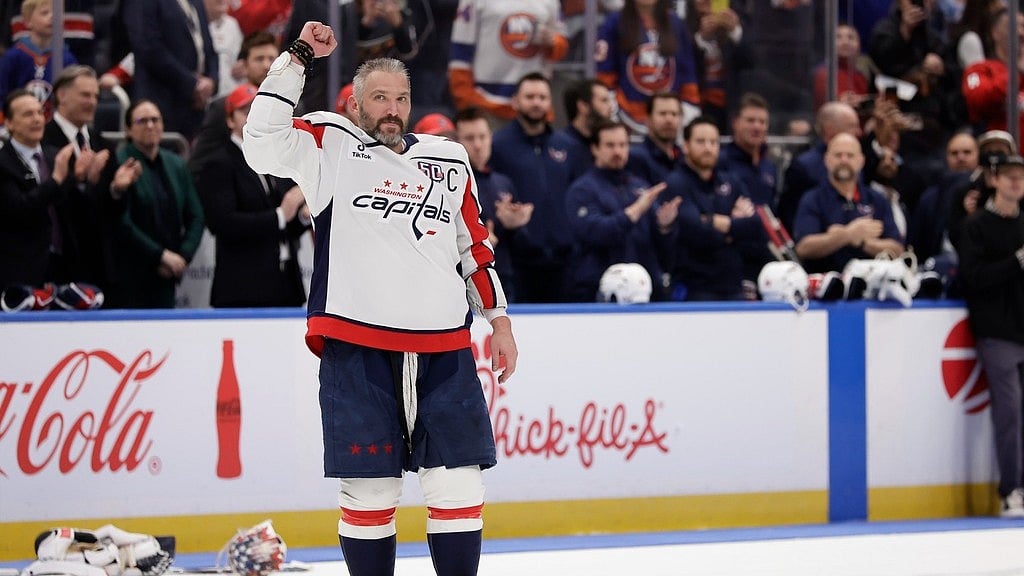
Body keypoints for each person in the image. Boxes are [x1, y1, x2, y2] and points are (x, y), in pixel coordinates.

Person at [242, 22, 518, 576]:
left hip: (445, 348)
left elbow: (475, 247)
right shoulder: (328, 144)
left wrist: (500, 322)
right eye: (380, 98)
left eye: (402, 99)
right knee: (369, 491)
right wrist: (297, 57)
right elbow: (261, 139)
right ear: (354, 102)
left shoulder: (450, 157)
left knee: (457, 481)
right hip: (357, 345)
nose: (393, 109)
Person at [197, 83, 308, 308]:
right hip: (244, 288)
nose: (254, 116)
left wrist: (303, 216)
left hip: (284, 285)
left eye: (258, 110)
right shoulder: (219, 163)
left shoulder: (274, 157)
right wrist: (280, 214)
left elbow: (286, 224)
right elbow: (223, 223)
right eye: (246, 111)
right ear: (229, 120)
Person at [957, 153, 1024, 519]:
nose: (1016, 182)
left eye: (1021, 177)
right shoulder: (977, 226)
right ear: (994, 180)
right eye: (1010, 176)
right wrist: (1016, 262)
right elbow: (974, 277)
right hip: (997, 332)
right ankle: (1010, 488)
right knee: (1009, 412)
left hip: (1020, 326)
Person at [41, 65, 143, 297]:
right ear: (62, 95)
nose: (93, 102)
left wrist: (117, 189)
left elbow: (112, 211)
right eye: (85, 95)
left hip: (100, 265)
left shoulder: (101, 143)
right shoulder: (43, 139)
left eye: (96, 96)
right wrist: (79, 181)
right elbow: (48, 204)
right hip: (59, 266)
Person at [564, 119, 678, 302]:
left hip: (644, 289)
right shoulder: (582, 190)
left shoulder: (640, 186)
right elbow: (596, 232)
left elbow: (661, 245)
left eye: (622, 145)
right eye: (610, 145)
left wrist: (664, 227)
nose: (617, 151)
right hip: (598, 289)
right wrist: (634, 211)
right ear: (595, 148)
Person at [488, 72, 572, 303]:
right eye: (530, 96)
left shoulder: (565, 145)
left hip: (564, 260)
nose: (536, 102)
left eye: (542, 97)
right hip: (519, 263)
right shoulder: (499, 145)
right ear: (515, 101)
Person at [664, 115, 767, 301]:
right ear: (685, 146)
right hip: (695, 287)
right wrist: (733, 224)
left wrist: (712, 220)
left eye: (713, 142)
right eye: (700, 142)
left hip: (733, 284)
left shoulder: (730, 180)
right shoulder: (676, 183)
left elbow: (756, 225)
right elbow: (695, 231)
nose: (708, 148)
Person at [114, 100, 205, 308]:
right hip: (132, 274)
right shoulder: (120, 162)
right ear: (128, 129)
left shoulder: (175, 163)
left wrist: (182, 256)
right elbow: (122, 221)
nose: (150, 126)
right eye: (142, 121)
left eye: (155, 120)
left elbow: (196, 215)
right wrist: (160, 256)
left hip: (169, 273)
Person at [792, 132, 904, 274]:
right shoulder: (812, 199)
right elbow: (803, 248)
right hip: (825, 287)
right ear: (827, 160)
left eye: (850, 155)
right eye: (838, 155)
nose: (844, 160)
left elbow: (897, 249)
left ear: (861, 161)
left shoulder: (877, 199)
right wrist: (848, 234)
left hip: (870, 286)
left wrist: (862, 242)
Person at [454, 106, 532, 302]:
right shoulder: (449, 183)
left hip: (503, 282)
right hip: (462, 285)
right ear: (456, 141)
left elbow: (523, 248)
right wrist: (478, 241)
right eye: (470, 138)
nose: (478, 145)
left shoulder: (502, 182)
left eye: (483, 137)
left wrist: (515, 226)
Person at [0, 89, 75, 290]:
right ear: (8, 123)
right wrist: (56, 179)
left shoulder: (54, 156)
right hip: (18, 270)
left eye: (40, 113)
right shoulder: (3, 162)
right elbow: (19, 208)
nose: (37, 119)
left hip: (60, 266)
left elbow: (66, 208)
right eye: (27, 114)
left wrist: (84, 179)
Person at [448, 0, 567, 121]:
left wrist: (553, 42)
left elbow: (561, 44)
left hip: (535, 106)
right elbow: (461, 50)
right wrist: (466, 101)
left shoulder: (550, 2)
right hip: (486, 104)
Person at [595, 0, 700, 135]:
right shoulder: (614, 23)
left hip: (671, 119)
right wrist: (613, 114)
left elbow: (688, 75)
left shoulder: (677, 24)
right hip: (626, 119)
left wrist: (687, 114)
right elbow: (604, 75)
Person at [122, 0, 219, 140]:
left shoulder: (196, 2)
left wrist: (212, 81)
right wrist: (192, 84)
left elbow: (209, 48)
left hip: (195, 107)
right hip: (162, 101)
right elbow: (148, 47)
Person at [190, 31, 280, 177]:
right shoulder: (222, 107)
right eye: (259, 59)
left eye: (272, 59)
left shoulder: (293, 107)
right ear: (244, 66)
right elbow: (199, 163)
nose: (266, 65)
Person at [777, 100, 862, 233]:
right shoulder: (803, 167)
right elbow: (789, 216)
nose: (859, 132)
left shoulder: (856, 164)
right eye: (852, 126)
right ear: (829, 129)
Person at [962, 7, 1024, 152]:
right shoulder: (980, 69)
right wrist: (1014, 71)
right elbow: (978, 99)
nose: (1020, 33)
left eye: (1023, 27)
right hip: (999, 161)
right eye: (1013, 26)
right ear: (994, 32)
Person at [0, 0, 77, 105]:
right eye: (45, 13)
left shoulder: (67, 59)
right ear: (27, 21)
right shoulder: (13, 57)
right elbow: (2, 93)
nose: (52, 17)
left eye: (57, 13)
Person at [549, 78, 613, 185]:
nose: (610, 107)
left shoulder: (605, 145)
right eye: (604, 100)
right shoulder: (559, 145)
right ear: (583, 106)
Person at [718, 92, 777, 207]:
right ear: (735, 123)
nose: (757, 127)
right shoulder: (719, 163)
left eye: (762, 122)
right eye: (750, 120)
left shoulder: (770, 167)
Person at [626, 91, 684, 186]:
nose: (669, 120)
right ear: (648, 119)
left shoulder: (685, 158)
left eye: (674, 114)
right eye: (662, 114)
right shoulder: (636, 158)